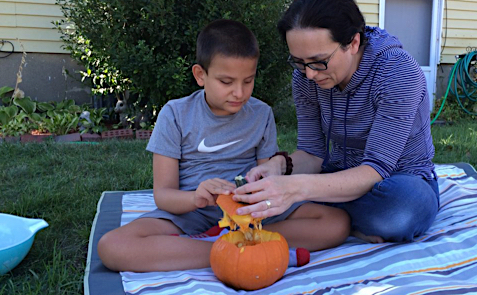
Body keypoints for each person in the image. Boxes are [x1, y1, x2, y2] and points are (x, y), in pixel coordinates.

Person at [97, 19, 350, 272]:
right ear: (200, 75)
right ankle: (233, 250)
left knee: (336, 223)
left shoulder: (261, 114)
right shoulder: (175, 114)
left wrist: (258, 194)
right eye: (226, 82)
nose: (239, 93)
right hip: (191, 213)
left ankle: (235, 242)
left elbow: (267, 177)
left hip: (251, 213)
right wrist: (196, 198)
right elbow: (163, 196)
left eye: (248, 81)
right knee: (113, 246)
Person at [233, 0, 439, 244]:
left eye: (319, 62)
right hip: (337, 175)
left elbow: (376, 169)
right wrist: (279, 168)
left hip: (398, 180)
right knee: (269, 196)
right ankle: (339, 222)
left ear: (353, 43)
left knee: (402, 209)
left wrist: (296, 189)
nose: (309, 74)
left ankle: (328, 220)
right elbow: (312, 154)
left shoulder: (397, 72)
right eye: (298, 62)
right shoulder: (305, 79)